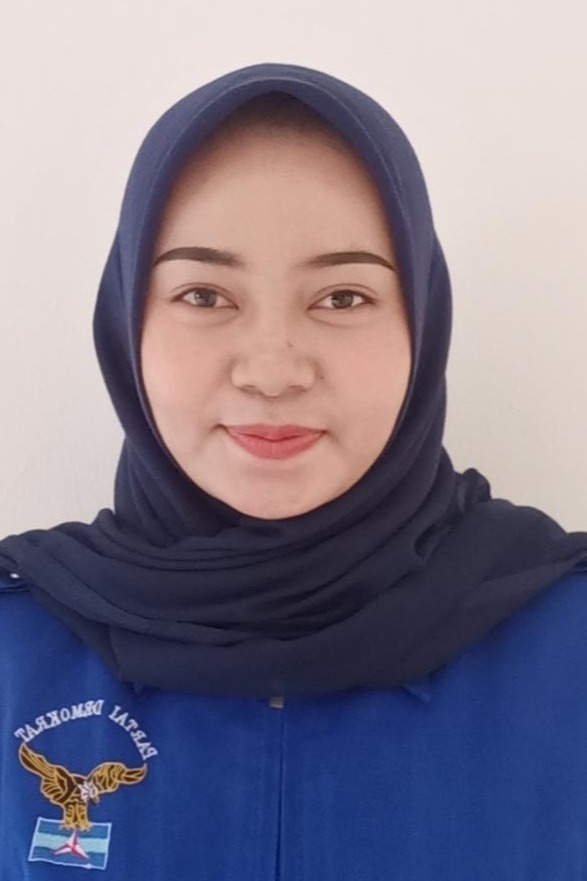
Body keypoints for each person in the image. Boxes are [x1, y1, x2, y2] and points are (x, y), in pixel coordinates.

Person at [1, 61, 586, 878]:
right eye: (204, 295)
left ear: (421, 325)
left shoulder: (565, 645)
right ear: (127, 322)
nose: (272, 371)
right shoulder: (17, 645)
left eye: (341, 297)